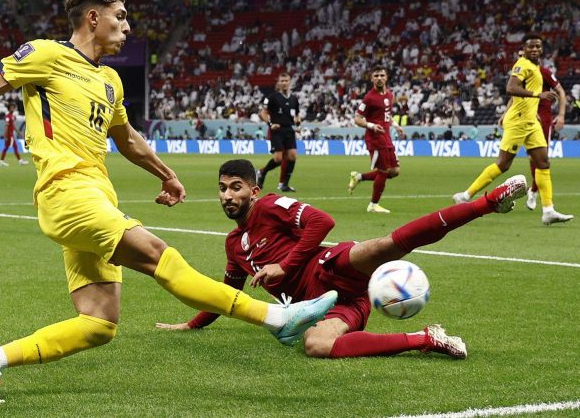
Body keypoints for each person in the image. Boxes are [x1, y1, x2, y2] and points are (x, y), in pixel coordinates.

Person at [0, 0, 336, 404]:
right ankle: (276, 317)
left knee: (98, 323)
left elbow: (127, 137)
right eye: (121, 16)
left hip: (96, 196)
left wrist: (165, 173)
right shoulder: (46, 55)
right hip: (66, 191)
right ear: (93, 17)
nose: (128, 26)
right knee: (157, 255)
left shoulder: (110, 81)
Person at [156, 159, 529, 360]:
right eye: (222, 189)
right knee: (316, 346)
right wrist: (191, 325)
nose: (226, 195)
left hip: (330, 265)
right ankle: (425, 339)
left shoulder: (271, 205)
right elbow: (226, 294)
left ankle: (487, 203)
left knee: (383, 246)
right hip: (330, 305)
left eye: (235, 187)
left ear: (254, 191)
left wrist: (285, 266)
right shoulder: (233, 245)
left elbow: (323, 221)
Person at [452, 34, 573, 225]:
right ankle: (465, 195)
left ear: (542, 49)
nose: (534, 49)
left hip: (531, 122)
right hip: (518, 122)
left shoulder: (536, 67)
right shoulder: (522, 65)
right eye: (530, 47)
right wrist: (537, 95)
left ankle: (548, 210)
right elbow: (511, 87)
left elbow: (519, 96)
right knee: (503, 164)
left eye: (537, 46)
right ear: (524, 49)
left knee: (543, 162)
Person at [347, 65, 405, 213]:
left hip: (387, 136)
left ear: (386, 77)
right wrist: (372, 126)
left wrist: (396, 126)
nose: (379, 78)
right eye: (376, 76)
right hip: (375, 139)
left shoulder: (389, 95)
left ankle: (359, 177)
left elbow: (386, 115)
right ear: (372, 78)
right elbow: (357, 119)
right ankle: (373, 205)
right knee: (384, 170)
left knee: (395, 171)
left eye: (382, 75)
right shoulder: (369, 98)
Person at [519, 52, 566, 211]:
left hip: (544, 120)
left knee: (541, 158)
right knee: (533, 158)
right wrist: (506, 113)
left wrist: (561, 115)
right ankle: (533, 191)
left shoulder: (544, 72)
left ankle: (533, 191)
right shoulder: (521, 74)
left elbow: (561, 92)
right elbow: (514, 95)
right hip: (527, 118)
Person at [256, 72, 300, 192]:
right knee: (278, 159)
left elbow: (296, 115)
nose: (284, 83)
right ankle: (261, 172)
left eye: (286, 81)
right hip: (277, 130)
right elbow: (263, 113)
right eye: (282, 81)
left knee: (292, 156)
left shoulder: (294, 99)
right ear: (278, 83)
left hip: (289, 130)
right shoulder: (272, 97)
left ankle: (284, 184)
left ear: (290, 82)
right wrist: (270, 124)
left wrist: (298, 125)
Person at [0, 102, 28, 166]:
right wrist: (5, 135)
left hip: (11, 134)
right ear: (9, 109)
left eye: (13, 107)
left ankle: (1, 161)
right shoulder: (7, 116)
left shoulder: (12, 116)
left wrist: (18, 132)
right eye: (11, 108)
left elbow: (13, 126)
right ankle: (20, 161)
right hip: (9, 135)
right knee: (14, 147)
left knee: (6, 147)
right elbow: (6, 126)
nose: (12, 109)